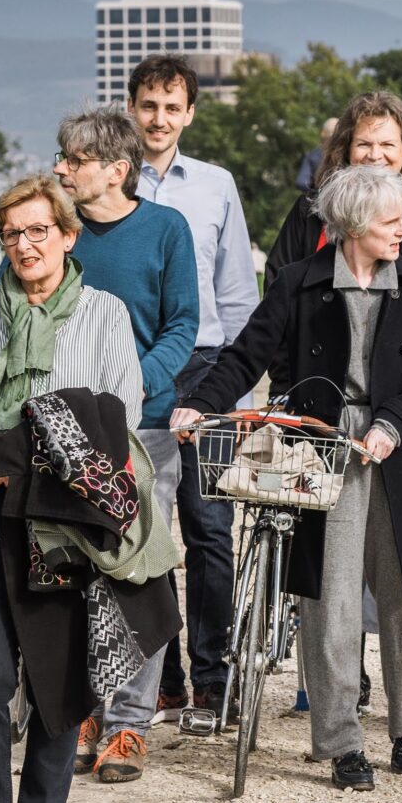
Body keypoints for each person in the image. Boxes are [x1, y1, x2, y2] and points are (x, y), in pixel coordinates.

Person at [0, 176, 180, 803]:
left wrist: (6, 442)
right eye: (12, 233)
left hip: (66, 537)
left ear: (68, 236)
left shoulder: (103, 316)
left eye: (39, 230)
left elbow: (113, 421)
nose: (25, 245)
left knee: (58, 687)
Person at [175, 164, 402, 790]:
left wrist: (390, 426)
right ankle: (339, 740)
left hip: (394, 449)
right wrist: (203, 401)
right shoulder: (300, 284)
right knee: (328, 598)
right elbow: (247, 354)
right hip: (319, 451)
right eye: (391, 221)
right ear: (355, 225)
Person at [50, 108, 198, 785]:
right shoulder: (50, 228)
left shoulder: (166, 230)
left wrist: (137, 380)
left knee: (138, 570)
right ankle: (79, 706)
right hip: (62, 428)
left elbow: (182, 323)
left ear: (115, 168)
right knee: (70, 569)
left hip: (146, 427)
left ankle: (130, 722)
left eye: (73, 158)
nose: (60, 168)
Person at [128, 54, 262, 724]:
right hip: (134, 372)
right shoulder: (110, 185)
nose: (159, 118)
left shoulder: (215, 186)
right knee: (144, 527)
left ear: (189, 113)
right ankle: (164, 675)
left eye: (171, 106)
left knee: (210, 528)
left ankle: (213, 676)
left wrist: (234, 389)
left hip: (208, 369)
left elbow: (238, 290)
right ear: (131, 109)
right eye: (148, 105)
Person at [264, 92, 402, 285]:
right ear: (346, 149)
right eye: (364, 144)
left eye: (387, 144)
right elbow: (278, 289)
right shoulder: (310, 210)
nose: (375, 155)